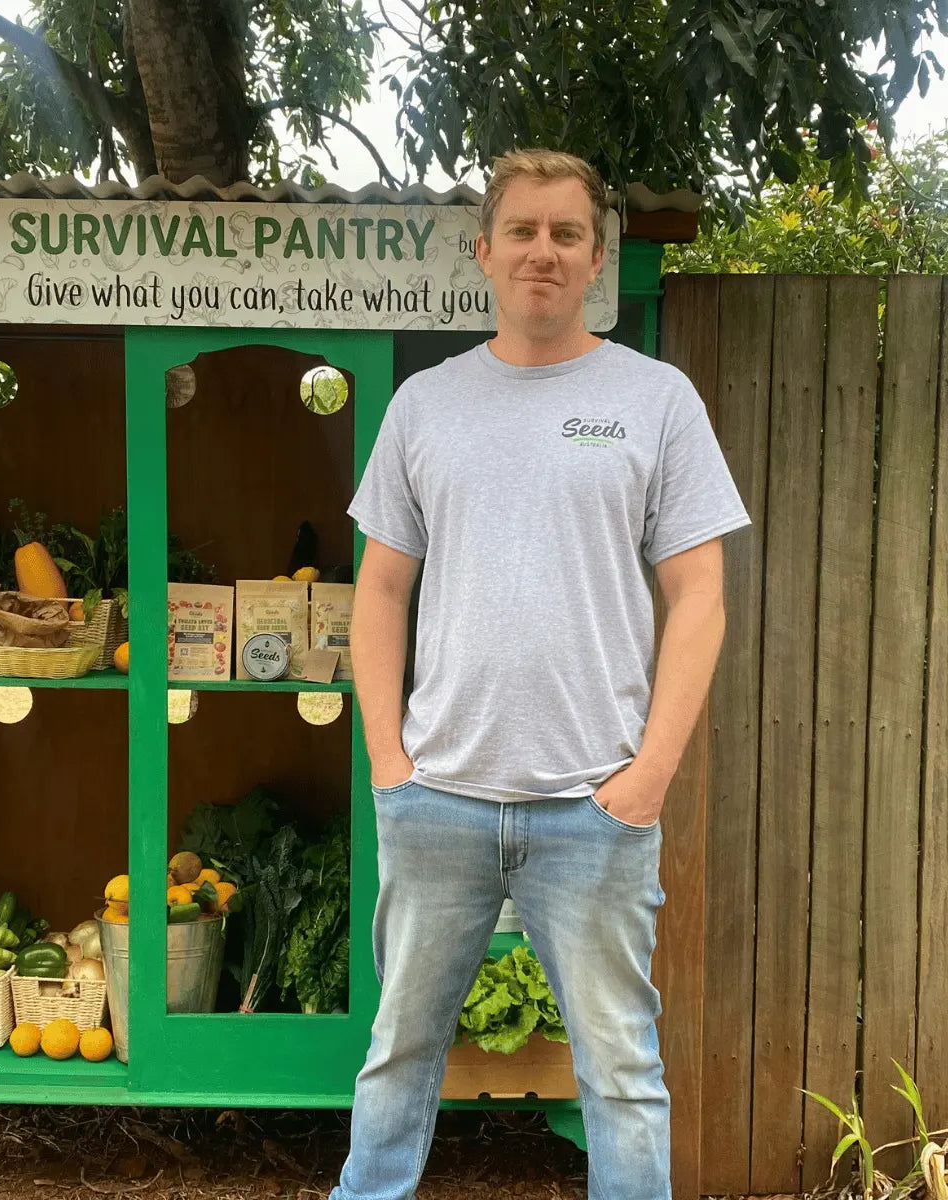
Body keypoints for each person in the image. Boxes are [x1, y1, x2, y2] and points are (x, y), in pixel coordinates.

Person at [331, 148, 752, 1200]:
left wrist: (647, 777)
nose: (543, 252)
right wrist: (390, 762)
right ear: (484, 251)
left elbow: (700, 598)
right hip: (438, 801)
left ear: (596, 258)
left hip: (595, 813)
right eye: (522, 230)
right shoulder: (427, 406)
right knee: (398, 1055)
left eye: (567, 234)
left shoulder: (657, 402)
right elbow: (378, 595)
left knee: (621, 1073)